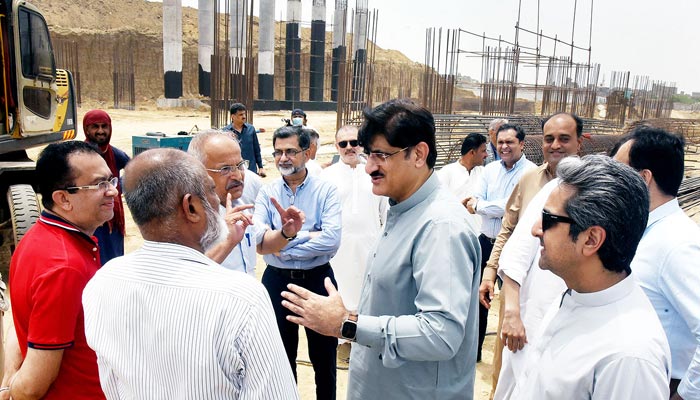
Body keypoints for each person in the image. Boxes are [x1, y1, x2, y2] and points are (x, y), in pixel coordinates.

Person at [280, 98, 481, 399]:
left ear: (418, 154)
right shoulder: (401, 209)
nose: (368, 167)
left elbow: (441, 333)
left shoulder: (440, 227)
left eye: (380, 156)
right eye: (367, 155)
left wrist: (347, 325)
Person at [82, 148, 299, 399]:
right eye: (210, 191)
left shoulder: (103, 283)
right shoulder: (242, 298)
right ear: (191, 207)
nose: (218, 201)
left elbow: (112, 386)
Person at [510, 155, 671, 399]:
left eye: (549, 219)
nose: (535, 229)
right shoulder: (576, 293)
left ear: (591, 239)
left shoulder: (628, 358)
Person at [1, 141, 115, 399]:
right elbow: (32, 386)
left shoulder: (37, 237)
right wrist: (11, 389)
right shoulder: (65, 266)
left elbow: (21, 326)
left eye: (111, 181)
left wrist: (8, 379)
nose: (112, 193)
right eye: (99, 185)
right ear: (63, 199)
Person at [483, 112, 583, 396]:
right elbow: (509, 230)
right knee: (507, 365)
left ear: (579, 143)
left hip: (559, 297)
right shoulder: (530, 181)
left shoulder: (586, 188)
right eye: (549, 139)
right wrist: (490, 272)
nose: (555, 145)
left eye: (564, 139)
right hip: (518, 289)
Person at [612, 127, 700, 400]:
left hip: (664, 385)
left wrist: (684, 395)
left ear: (643, 179)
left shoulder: (678, 243)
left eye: (617, 173)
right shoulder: (643, 231)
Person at [254, 126, 341, 399]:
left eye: (290, 151)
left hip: (318, 279)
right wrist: (305, 237)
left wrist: (284, 242)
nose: (283, 158)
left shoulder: (326, 190)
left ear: (307, 152)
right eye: (278, 152)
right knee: (280, 357)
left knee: (324, 357)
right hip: (277, 282)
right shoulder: (266, 193)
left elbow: (331, 240)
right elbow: (259, 242)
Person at [187, 130, 304, 277]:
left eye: (240, 165)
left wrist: (286, 233)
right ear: (199, 171)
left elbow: (261, 244)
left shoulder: (241, 203)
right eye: (225, 169)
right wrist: (227, 240)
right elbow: (191, 275)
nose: (237, 175)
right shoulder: (188, 220)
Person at [464, 123, 535, 362]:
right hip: (485, 242)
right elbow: (479, 202)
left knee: (513, 302)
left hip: (513, 245)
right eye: (500, 142)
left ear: (521, 144)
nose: (504, 146)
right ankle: (473, 354)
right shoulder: (489, 170)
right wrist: (487, 206)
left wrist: (482, 206)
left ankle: (509, 359)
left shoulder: (531, 174)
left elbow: (508, 208)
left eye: (510, 142)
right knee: (478, 299)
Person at [321, 125, 387, 362]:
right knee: (341, 290)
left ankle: (365, 341)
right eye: (343, 144)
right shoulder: (326, 177)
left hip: (371, 244)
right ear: (336, 147)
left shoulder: (375, 173)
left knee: (368, 293)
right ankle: (343, 343)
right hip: (339, 248)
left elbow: (385, 212)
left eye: (354, 142)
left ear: (362, 144)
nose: (349, 148)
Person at [83, 109, 130, 265]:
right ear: (86, 129)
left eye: (104, 126)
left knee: (114, 260)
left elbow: (134, 169)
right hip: (88, 217)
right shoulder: (79, 155)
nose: (101, 131)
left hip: (112, 219)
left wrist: (119, 188)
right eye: (95, 127)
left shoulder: (115, 154)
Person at [438, 132, 488, 231]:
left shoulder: (484, 173)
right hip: (454, 232)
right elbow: (437, 205)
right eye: (483, 151)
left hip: (479, 235)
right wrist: (459, 206)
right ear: (472, 153)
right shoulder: (446, 173)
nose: (486, 155)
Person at [223, 103, 266, 177]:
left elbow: (256, 149)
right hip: (235, 172)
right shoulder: (225, 132)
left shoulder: (251, 129)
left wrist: (260, 167)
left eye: (244, 114)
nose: (244, 117)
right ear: (233, 117)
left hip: (251, 170)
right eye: (240, 115)